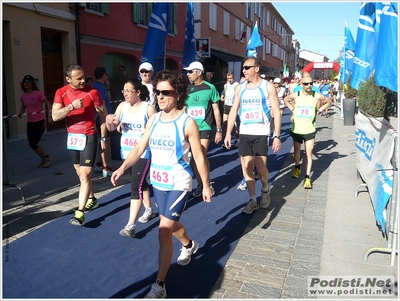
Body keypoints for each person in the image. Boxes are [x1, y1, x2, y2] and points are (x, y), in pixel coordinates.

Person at [111, 70, 212, 298]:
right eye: (157, 92)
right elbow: (139, 148)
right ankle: (189, 245)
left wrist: (205, 184)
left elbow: (198, 156)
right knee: (171, 224)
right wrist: (121, 168)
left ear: (178, 94)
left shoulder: (188, 123)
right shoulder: (154, 119)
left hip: (179, 182)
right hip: (158, 181)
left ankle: (159, 285)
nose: (160, 97)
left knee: (163, 231)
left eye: (165, 92)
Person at [224, 57, 282, 214]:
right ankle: (252, 199)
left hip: (261, 133)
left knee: (260, 167)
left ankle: (264, 190)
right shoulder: (240, 88)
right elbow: (233, 111)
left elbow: (276, 111)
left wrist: (277, 135)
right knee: (247, 167)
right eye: (243, 67)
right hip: (244, 132)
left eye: (247, 67)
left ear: (256, 69)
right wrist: (228, 133)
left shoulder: (267, 86)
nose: (243, 70)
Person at [52, 64, 107, 226]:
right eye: (79, 78)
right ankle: (92, 199)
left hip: (89, 135)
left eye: (84, 77)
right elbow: (55, 116)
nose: (83, 80)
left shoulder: (93, 92)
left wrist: (104, 136)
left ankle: (79, 213)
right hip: (73, 138)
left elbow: (103, 113)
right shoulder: (61, 92)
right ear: (68, 79)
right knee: (80, 173)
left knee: (85, 174)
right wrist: (70, 107)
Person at [106, 78, 157, 237]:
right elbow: (113, 127)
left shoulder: (148, 110)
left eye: (128, 91)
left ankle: (130, 225)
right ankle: (149, 209)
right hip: (127, 153)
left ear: (138, 92)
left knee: (135, 187)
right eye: (124, 90)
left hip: (143, 154)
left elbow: (156, 133)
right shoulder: (122, 106)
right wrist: (109, 121)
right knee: (141, 183)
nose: (125, 94)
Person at [284, 74, 332, 189]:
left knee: (308, 153)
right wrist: (293, 110)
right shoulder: (297, 94)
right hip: (297, 129)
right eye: (306, 84)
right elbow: (286, 100)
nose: (309, 85)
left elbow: (328, 101)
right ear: (301, 85)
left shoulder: (316, 95)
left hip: (310, 129)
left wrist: (319, 110)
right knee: (297, 151)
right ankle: (297, 167)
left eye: (311, 83)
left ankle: (307, 177)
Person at [184, 61, 222, 197]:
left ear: (199, 72)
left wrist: (218, 130)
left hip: (204, 128)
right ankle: (201, 184)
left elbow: (216, 110)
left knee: (201, 155)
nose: (187, 74)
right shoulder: (187, 89)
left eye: (190, 72)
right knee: (194, 158)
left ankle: (206, 183)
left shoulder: (210, 88)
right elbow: (184, 109)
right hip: (189, 129)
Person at [18, 75, 53, 168]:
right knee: (31, 143)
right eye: (25, 82)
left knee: (34, 142)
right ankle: (44, 158)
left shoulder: (38, 94)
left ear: (32, 83)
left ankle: (46, 157)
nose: (27, 84)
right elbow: (23, 106)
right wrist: (20, 113)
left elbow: (48, 104)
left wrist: (49, 116)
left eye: (29, 82)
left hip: (39, 122)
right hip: (30, 122)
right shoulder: (23, 96)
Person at [92, 67, 113, 177]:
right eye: (106, 74)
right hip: (102, 120)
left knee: (105, 143)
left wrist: (108, 88)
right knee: (105, 143)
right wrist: (104, 121)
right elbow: (101, 107)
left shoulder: (101, 87)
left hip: (105, 119)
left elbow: (108, 99)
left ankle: (99, 164)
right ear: (104, 74)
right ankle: (106, 168)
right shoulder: (98, 88)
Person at [221, 71, 239, 147]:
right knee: (225, 123)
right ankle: (226, 140)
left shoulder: (237, 85)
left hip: (233, 106)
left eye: (231, 78)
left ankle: (237, 138)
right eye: (228, 78)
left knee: (235, 125)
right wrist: (223, 98)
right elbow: (224, 95)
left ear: (233, 78)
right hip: (227, 106)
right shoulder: (226, 86)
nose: (229, 80)